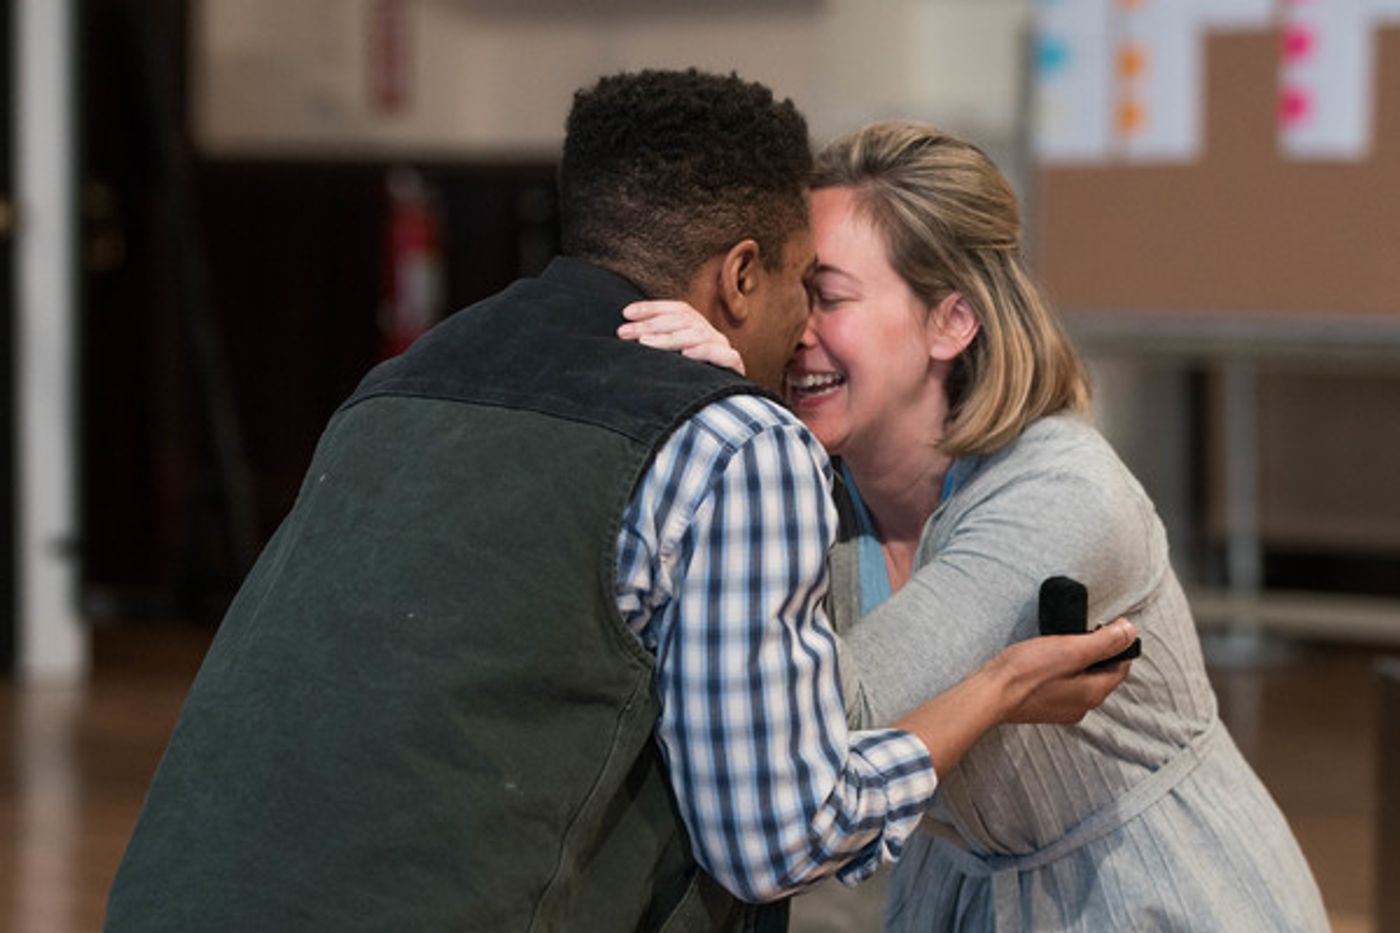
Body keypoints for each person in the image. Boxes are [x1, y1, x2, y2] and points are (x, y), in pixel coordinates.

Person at [104, 77, 1136, 933]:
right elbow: (779, 834)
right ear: (741, 277)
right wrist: (999, 686)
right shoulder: (740, 444)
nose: (799, 332)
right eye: (802, 288)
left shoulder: (400, 384)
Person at [623, 120, 1328, 931]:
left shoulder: (1064, 494)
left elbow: (828, 725)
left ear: (951, 321)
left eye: (829, 295)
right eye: (790, 293)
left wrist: (729, 396)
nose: (795, 327)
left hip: (1160, 892)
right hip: (962, 893)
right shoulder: (816, 491)